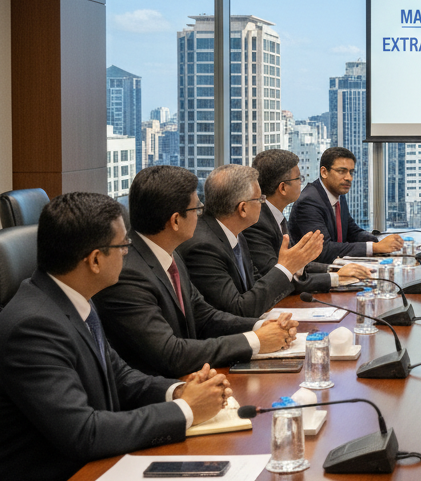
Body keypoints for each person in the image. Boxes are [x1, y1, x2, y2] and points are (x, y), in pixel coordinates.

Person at [0, 193, 230, 481]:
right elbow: (85, 432)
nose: (128, 253)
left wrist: (178, 391)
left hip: (97, 470)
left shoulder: (75, 300)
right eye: (123, 246)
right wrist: (187, 410)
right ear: (94, 260)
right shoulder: (32, 328)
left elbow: (118, 376)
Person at [95, 165, 299, 378]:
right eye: (197, 209)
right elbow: (171, 353)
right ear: (175, 220)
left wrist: (262, 326)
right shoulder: (128, 275)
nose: (201, 215)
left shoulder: (170, 255)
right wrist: (256, 340)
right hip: (159, 392)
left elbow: (204, 317)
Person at [175, 164, 324, 318]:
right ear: (243, 208)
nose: (263, 203)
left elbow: (256, 287)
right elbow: (238, 309)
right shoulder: (203, 248)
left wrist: (292, 266)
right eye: (260, 199)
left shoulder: (236, 234)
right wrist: (285, 267)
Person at [246, 149, 372, 290]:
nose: (301, 183)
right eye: (298, 178)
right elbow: (279, 277)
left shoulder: (276, 217)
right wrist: (336, 278)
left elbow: (298, 263)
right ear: (282, 188)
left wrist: (334, 269)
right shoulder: (257, 223)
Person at [289, 147, 403, 262]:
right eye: (341, 171)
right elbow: (323, 250)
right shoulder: (309, 201)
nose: (349, 178)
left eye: (351, 172)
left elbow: (352, 232)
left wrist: (382, 241)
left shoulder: (337, 194)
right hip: (315, 273)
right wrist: (375, 247)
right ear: (324, 172)